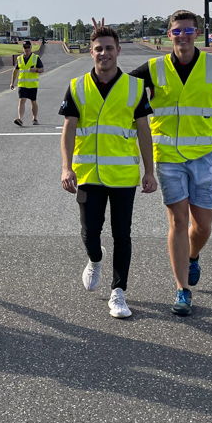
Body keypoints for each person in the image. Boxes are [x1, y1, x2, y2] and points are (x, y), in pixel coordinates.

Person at [130, 10, 212, 317]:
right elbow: (118, 90)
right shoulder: (154, 68)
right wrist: (97, 53)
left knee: (203, 226)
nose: (183, 35)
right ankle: (182, 289)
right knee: (179, 222)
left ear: (197, 33)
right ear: (170, 35)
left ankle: (192, 257)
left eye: (188, 30)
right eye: (177, 31)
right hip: (168, 160)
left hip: (205, 158)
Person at [60, 25, 157, 319]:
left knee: (122, 234)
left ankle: (119, 292)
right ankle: (95, 258)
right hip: (88, 173)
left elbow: (144, 132)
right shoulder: (77, 86)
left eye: (109, 48)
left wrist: (149, 171)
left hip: (123, 176)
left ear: (118, 50)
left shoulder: (134, 87)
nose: (104, 53)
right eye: (99, 48)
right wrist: (66, 167)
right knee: (90, 232)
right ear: (91, 52)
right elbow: (68, 130)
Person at [9, 40, 44, 125]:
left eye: (28, 47)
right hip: (22, 85)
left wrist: (35, 70)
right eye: (25, 47)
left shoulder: (36, 58)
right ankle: (20, 119)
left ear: (31, 48)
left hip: (32, 85)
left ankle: (35, 119)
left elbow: (42, 69)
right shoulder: (19, 58)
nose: (27, 49)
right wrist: (12, 83)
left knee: (33, 101)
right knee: (22, 100)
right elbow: (15, 71)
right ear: (23, 48)